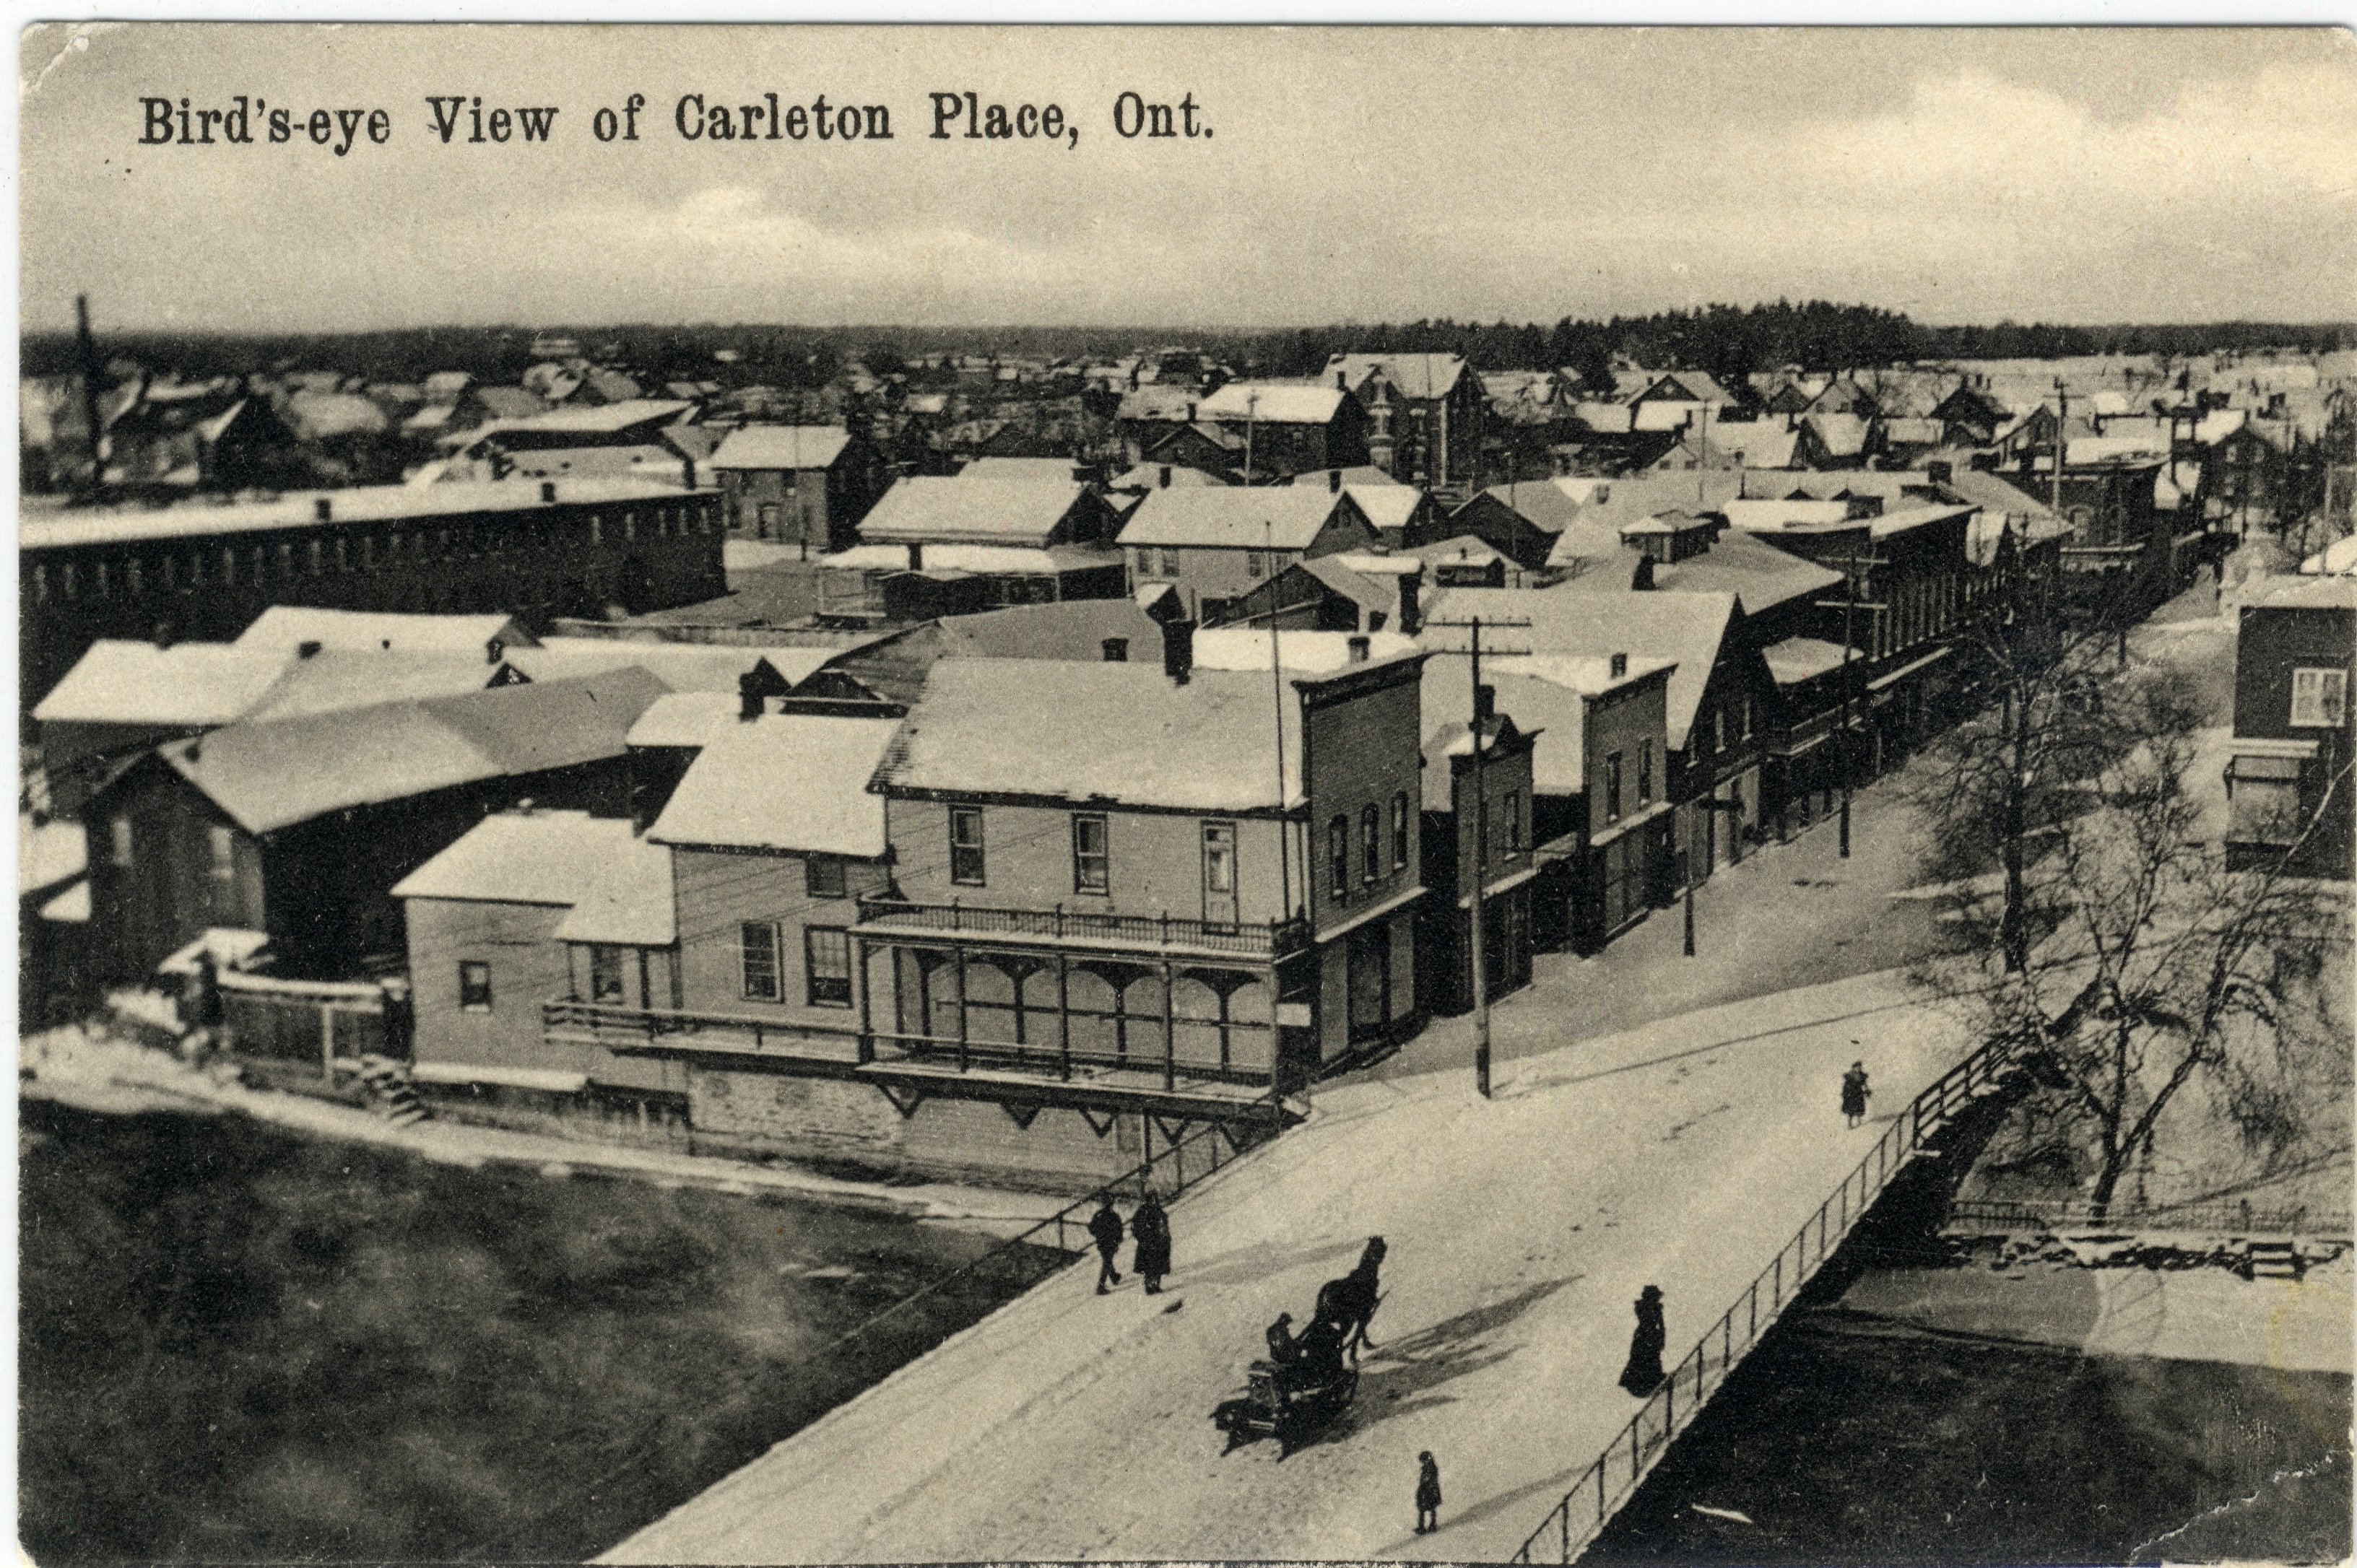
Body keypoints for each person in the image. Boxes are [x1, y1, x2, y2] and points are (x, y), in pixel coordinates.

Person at [1618, 1285, 1666, 1396]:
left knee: (1645, 1358)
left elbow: (1661, 1325)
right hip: (1649, 1336)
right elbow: (1660, 1326)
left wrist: (1661, 1339)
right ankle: (1646, 1382)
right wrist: (1661, 1339)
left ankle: (1643, 1381)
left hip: (1645, 1335)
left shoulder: (1646, 1308)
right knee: (1646, 1357)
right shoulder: (1650, 1308)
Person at [1131, 1190, 1172, 1294]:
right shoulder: (1143, 1211)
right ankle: (1149, 1286)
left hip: (1159, 1242)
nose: (1154, 1201)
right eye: (1152, 1199)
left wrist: (1166, 1238)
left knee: (1158, 1265)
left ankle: (1156, 1285)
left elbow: (1164, 1226)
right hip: (1148, 1243)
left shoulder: (1158, 1210)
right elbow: (1135, 1226)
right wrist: (1141, 1237)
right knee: (1149, 1266)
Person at [1087, 1195, 1124, 1294]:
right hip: (1111, 1243)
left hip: (1101, 1242)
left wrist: (1098, 1235)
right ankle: (1101, 1286)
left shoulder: (1098, 1214)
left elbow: (1091, 1228)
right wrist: (1118, 1240)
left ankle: (1114, 1276)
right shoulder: (1114, 1216)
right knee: (1107, 1262)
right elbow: (1119, 1230)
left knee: (1107, 1260)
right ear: (1111, 1204)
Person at [1415, 1451, 1443, 1536]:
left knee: (1431, 1509)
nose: (1423, 1462)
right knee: (1423, 1510)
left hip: (1430, 1491)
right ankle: (1422, 1527)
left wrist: (1425, 1483)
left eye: (1423, 1460)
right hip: (1426, 1491)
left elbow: (1430, 1479)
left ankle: (1431, 1525)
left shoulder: (1432, 1468)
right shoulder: (1427, 1468)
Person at [1841, 1060, 1871, 1128]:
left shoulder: (1861, 1075)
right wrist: (1846, 1094)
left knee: (1859, 1107)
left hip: (1859, 1094)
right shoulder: (1850, 1075)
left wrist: (1867, 1090)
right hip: (1851, 1094)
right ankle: (1850, 1124)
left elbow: (1864, 1084)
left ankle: (1859, 1121)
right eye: (1857, 1067)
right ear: (1854, 1068)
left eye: (1860, 1067)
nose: (1859, 1069)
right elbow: (1846, 1086)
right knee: (1850, 1109)